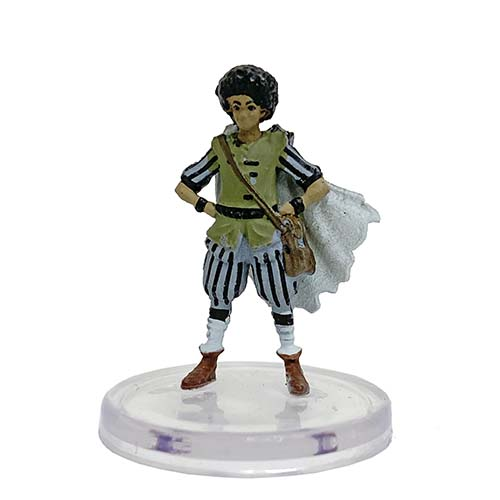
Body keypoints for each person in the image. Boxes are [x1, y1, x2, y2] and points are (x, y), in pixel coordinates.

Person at [175, 65, 379, 395]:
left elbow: (318, 185)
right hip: (226, 234)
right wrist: (207, 207)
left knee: (280, 298)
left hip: (266, 235)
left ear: (264, 110)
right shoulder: (220, 147)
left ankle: (291, 362)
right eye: (235, 106)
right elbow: (184, 186)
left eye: (250, 106)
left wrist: (294, 206)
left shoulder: (277, 145)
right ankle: (209, 359)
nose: (242, 114)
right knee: (219, 295)